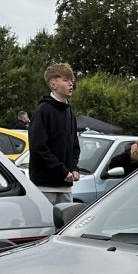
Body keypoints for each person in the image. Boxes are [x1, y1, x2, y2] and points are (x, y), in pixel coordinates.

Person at [27, 62, 80, 202]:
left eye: (72, 81)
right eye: (66, 80)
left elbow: (74, 145)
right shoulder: (43, 111)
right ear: (53, 84)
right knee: (47, 223)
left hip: (66, 186)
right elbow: (38, 147)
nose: (71, 84)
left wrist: (74, 168)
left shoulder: (69, 111)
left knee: (66, 224)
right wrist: (62, 171)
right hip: (45, 186)